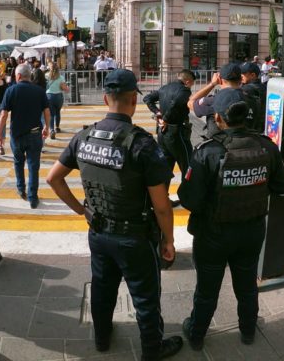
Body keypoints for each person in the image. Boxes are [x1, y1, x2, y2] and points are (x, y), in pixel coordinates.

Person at [45, 69, 183, 360]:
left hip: (98, 232)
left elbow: (53, 178)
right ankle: (152, 350)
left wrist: (81, 209)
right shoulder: (142, 144)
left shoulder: (83, 136)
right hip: (134, 237)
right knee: (145, 298)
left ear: (106, 98)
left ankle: (102, 339)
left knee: (102, 288)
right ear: (134, 100)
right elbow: (161, 205)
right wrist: (168, 240)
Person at [178, 89, 284, 351]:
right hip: (251, 230)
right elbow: (282, 186)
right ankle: (248, 330)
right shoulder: (266, 147)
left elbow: (188, 199)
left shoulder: (207, 152)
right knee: (247, 284)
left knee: (207, 289)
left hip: (213, 234)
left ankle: (196, 335)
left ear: (218, 118)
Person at [0, 63, 50, 209]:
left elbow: (3, 115)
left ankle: (21, 190)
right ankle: (33, 198)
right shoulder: (39, 91)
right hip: (35, 134)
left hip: (17, 135)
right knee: (34, 166)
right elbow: (47, 110)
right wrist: (47, 127)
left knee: (18, 162)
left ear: (18, 76)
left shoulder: (11, 90)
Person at [142, 69, 196, 201]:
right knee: (188, 165)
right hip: (177, 133)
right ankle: (188, 197)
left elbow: (147, 98)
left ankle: (162, 199)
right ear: (188, 81)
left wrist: (158, 113)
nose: (191, 86)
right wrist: (165, 118)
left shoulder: (165, 87)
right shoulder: (184, 90)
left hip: (162, 133)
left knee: (166, 167)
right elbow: (176, 103)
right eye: (192, 84)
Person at [188, 63, 255, 138]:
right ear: (240, 78)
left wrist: (212, 84)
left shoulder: (214, 100)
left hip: (221, 145)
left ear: (219, 79)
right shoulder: (251, 98)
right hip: (249, 142)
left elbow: (190, 102)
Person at [240, 62, 265, 132]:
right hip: (262, 127)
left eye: (243, 74)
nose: (240, 76)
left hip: (250, 128)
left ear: (253, 75)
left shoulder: (245, 89)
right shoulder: (264, 87)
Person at [45, 66, 69, 139]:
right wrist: (67, 88)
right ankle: (57, 127)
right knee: (58, 112)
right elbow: (65, 88)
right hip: (58, 96)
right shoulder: (61, 77)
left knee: (51, 114)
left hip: (49, 96)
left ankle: (52, 130)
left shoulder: (46, 76)